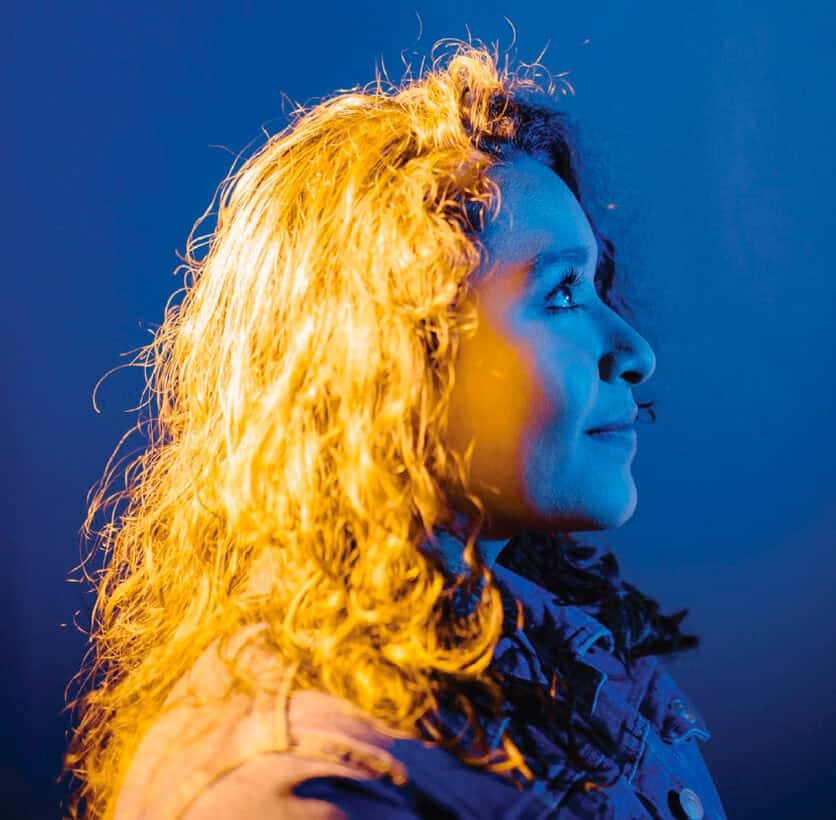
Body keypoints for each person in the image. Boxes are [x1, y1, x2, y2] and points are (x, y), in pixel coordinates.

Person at [63, 40, 727, 819]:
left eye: (597, 285)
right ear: (387, 352)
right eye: (561, 293)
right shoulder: (293, 783)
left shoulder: (542, 661)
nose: (636, 352)